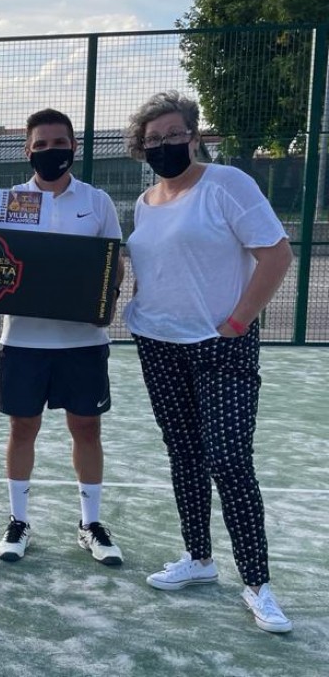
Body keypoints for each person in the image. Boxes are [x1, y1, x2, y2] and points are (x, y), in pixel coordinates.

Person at [124, 90, 293, 633]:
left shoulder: (228, 185)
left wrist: (238, 322)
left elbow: (277, 254)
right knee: (184, 453)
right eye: (153, 139)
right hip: (157, 343)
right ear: (141, 147)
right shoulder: (144, 202)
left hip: (223, 345)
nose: (165, 145)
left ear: (194, 135)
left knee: (229, 460)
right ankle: (198, 559)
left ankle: (258, 584)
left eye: (174, 134)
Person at [0, 109, 125, 566]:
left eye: (59, 143)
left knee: (86, 428)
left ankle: (90, 524)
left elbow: (112, 261)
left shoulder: (97, 202)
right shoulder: (8, 203)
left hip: (83, 341)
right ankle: (18, 522)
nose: (50, 151)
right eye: (41, 144)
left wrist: (105, 304)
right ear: (28, 150)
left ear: (73, 148)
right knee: (22, 428)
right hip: (23, 340)